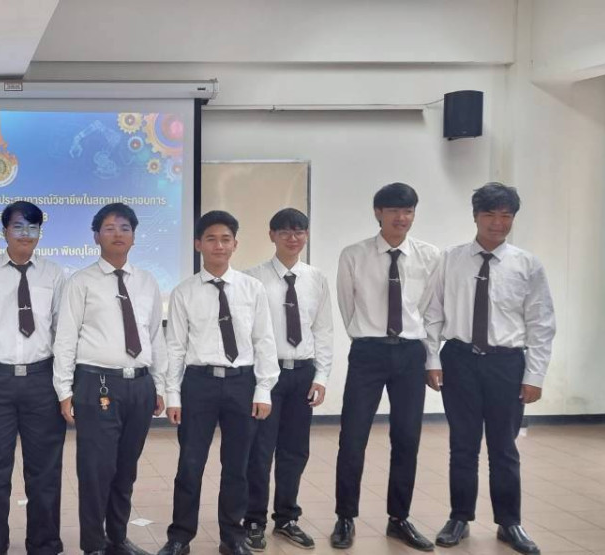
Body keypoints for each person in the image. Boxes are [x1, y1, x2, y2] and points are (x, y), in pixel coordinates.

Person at [424, 183, 554, 555]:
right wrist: (432, 360)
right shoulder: (450, 259)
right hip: (460, 359)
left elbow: (541, 322)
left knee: (504, 448)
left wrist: (535, 375)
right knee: (462, 445)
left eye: (506, 215)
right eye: (489, 215)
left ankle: (509, 522)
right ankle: (459, 518)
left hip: (506, 364)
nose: (498, 223)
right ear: (475, 216)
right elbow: (433, 313)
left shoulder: (527, 265)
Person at [157, 210, 278, 555]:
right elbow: (175, 346)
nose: (219, 245)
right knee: (190, 465)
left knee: (237, 467)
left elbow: (264, 340)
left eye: (226, 239)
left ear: (235, 244)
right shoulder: (184, 292)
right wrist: (173, 394)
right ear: (198, 244)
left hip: (242, 383)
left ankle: (232, 537)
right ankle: (180, 536)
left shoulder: (252, 289)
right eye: (211, 239)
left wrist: (264, 389)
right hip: (199, 384)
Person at [331, 183, 440, 552]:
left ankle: (399, 518)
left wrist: (431, 357)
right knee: (353, 438)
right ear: (378, 212)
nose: (401, 217)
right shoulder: (354, 255)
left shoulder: (429, 256)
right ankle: (345, 516)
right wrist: (368, 336)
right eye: (393, 210)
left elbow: (429, 310)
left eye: (408, 211)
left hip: (410, 354)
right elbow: (347, 306)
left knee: (407, 438)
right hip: (368, 353)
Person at [53, 202, 167, 555]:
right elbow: (66, 338)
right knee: (95, 470)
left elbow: (155, 337)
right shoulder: (81, 282)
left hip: (140, 385)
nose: (118, 234)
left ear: (134, 236)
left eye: (125, 228)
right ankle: (93, 544)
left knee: (125, 469)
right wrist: (64, 390)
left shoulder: (147, 282)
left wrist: (159, 384)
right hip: (97, 384)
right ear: (96, 237)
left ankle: (117, 539)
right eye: (109, 228)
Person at [0, 201, 67, 555]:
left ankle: (45, 544)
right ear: (5, 231)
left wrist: (61, 383)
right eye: (19, 226)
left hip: (41, 381)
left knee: (45, 471)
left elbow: (62, 331)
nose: (26, 234)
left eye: (33, 227)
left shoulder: (53, 274)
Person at [241, 208, 334, 551]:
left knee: (295, 450)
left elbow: (323, 329)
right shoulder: (253, 279)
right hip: (267, 376)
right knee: (260, 451)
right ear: (272, 236)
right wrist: (259, 382)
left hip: (303, 373)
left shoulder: (316, 279)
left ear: (306, 235)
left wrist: (321, 376)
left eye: (299, 232)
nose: (293, 238)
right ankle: (253, 519)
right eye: (285, 232)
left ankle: (286, 518)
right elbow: (248, 334)